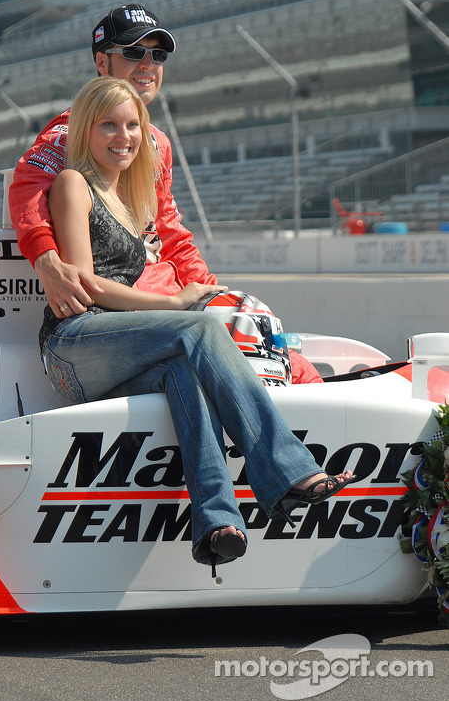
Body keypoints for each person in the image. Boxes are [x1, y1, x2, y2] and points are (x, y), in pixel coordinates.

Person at [38, 75, 355, 575]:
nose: (123, 137)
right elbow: (87, 286)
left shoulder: (132, 196)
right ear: (84, 130)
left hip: (119, 348)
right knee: (201, 329)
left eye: (132, 126)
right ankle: (287, 470)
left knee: (184, 376)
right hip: (73, 344)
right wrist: (182, 302)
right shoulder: (73, 183)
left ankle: (216, 524)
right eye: (108, 126)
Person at [8, 2, 322, 385]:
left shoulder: (156, 142)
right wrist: (46, 261)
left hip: (168, 300)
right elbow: (26, 188)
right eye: (134, 52)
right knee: (271, 359)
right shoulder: (70, 130)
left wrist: (207, 288)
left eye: (157, 55)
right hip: (129, 313)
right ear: (102, 64)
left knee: (277, 346)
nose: (147, 64)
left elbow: (168, 230)